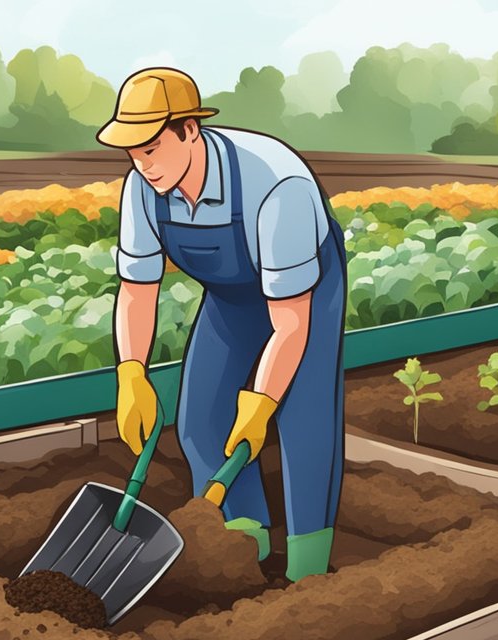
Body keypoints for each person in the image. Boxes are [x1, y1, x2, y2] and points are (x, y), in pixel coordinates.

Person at [96, 67, 346, 582]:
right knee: (201, 423)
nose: (143, 165)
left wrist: (261, 405)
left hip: (305, 296)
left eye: (151, 147)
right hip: (233, 298)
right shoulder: (143, 189)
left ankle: (308, 576)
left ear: (190, 129)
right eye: (133, 152)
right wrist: (131, 373)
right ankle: (238, 552)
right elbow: (138, 291)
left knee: (303, 424)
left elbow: (291, 324)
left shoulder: (278, 187)